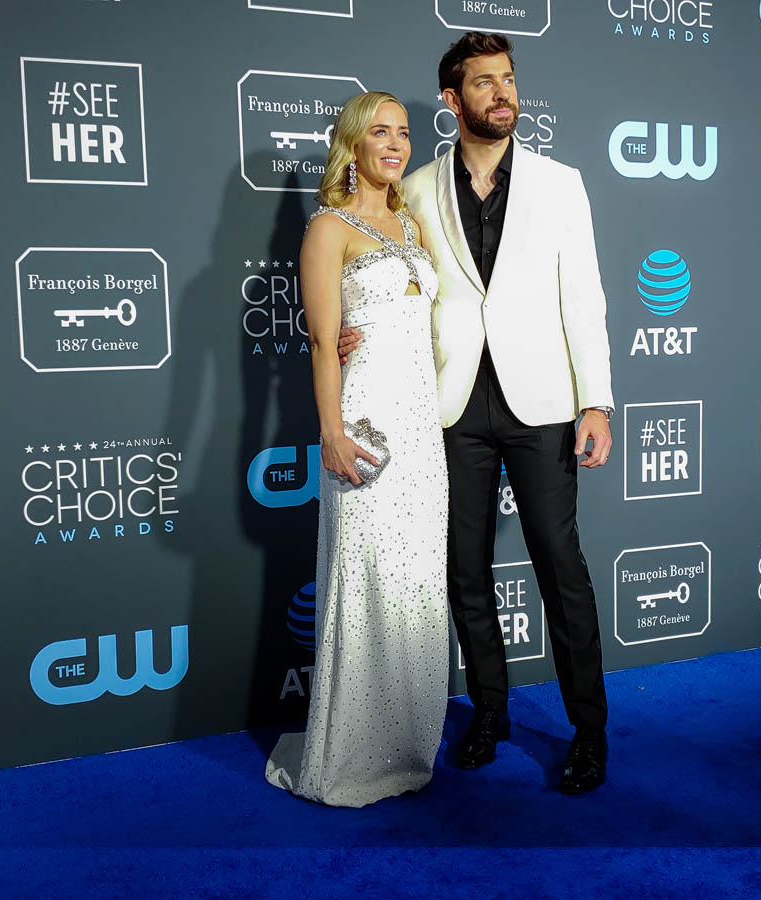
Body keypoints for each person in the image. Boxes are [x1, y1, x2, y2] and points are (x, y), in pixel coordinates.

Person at [341, 33, 616, 794]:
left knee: (560, 564)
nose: (503, 94)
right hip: (450, 403)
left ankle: (590, 732)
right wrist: (340, 326)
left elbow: (584, 298)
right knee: (465, 569)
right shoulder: (415, 188)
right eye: (485, 82)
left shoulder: (561, 184)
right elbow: (372, 263)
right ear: (452, 99)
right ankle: (490, 712)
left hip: (543, 402)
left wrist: (595, 400)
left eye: (508, 79)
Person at [265, 91, 450, 807]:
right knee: (366, 576)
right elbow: (322, 342)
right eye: (380, 132)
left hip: (421, 425)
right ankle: (349, 756)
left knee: (414, 583)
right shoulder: (327, 228)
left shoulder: (413, 224)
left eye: (403, 132)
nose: (396, 144)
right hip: (365, 420)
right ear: (353, 143)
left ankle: (404, 743)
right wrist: (331, 433)